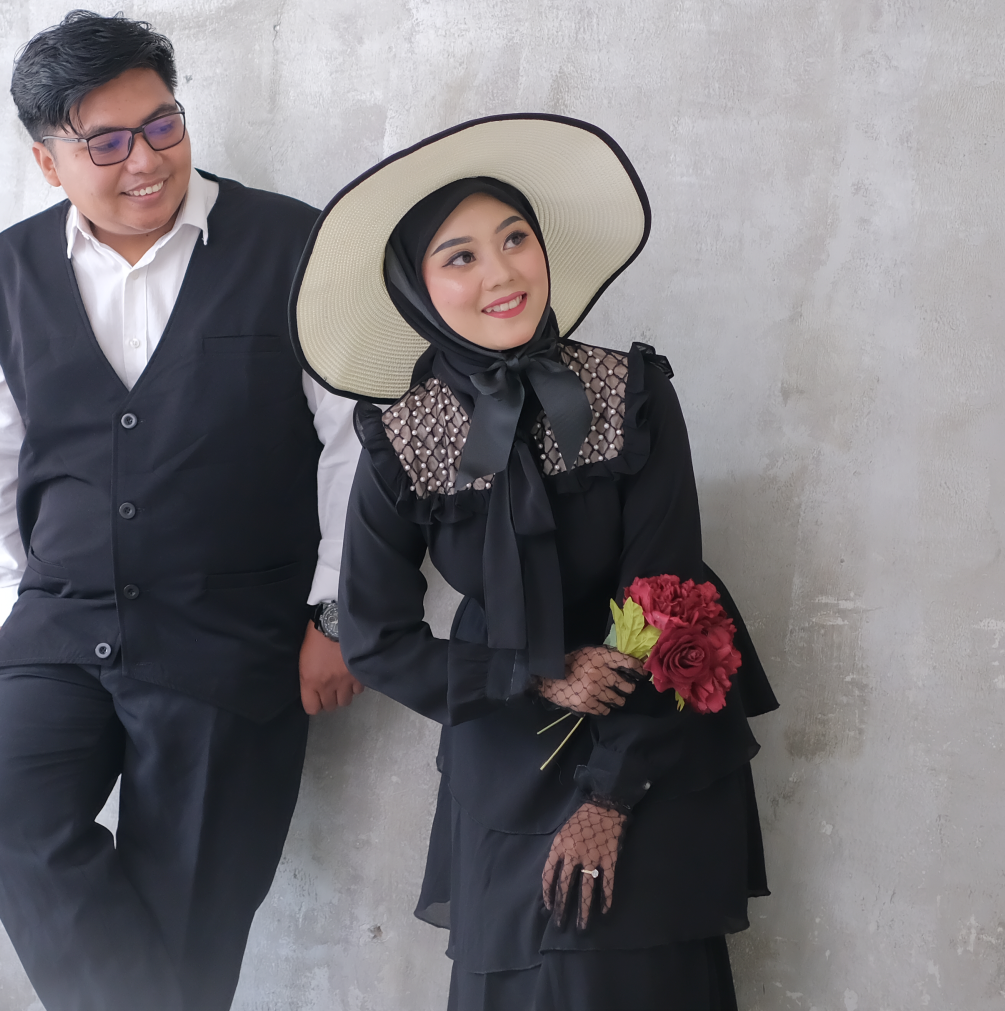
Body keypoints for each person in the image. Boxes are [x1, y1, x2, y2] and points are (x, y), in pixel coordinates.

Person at [289, 114, 778, 1010]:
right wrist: (534, 675)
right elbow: (376, 637)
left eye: (516, 238)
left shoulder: (630, 392)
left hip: (651, 730)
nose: (502, 272)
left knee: (635, 979)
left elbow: (668, 594)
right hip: (507, 742)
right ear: (416, 287)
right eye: (461, 256)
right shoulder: (402, 439)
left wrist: (610, 799)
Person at [0, 10, 364, 1011]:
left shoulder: (295, 245)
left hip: (234, 630)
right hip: (61, 619)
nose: (146, 160)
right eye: (107, 143)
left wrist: (337, 614)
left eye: (163, 124)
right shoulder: (3, 277)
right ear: (49, 162)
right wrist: (13, 602)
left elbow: (357, 445)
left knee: (190, 917)